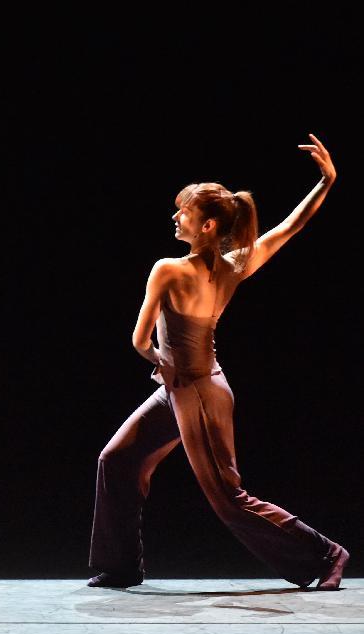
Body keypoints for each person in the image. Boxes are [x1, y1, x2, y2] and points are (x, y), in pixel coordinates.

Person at [88, 134, 348, 590]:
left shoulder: (168, 269)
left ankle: (325, 554)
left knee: (229, 498)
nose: (175, 216)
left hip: (200, 395)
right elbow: (288, 227)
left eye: (183, 211)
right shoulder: (233, 266)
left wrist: (156, 359)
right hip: (180, 390)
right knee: (118, 460)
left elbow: (139, 341)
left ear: (207, 225)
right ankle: (122, 564)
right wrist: (326, 182)